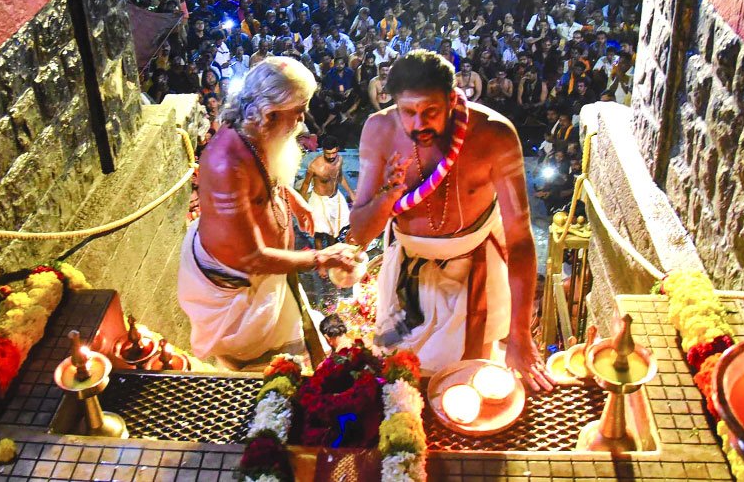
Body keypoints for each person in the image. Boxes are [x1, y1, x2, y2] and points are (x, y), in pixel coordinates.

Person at [348, 51, 554, 390]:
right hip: (407, 276)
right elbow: (360, 233)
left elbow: (519, 240)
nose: (418, 124)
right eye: (408, 112)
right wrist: (388, 194)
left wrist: (519, 335)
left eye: (430, 111)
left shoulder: (495, 135)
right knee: (402, 383)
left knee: (468, 385)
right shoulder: (379, 130)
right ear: (393, 103)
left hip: (474, 273)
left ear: (451, 98)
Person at [178, 58, 358, 370]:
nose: (303, 120)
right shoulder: (227, 164)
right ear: (270, 113)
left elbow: (263, 183)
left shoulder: (256, 134)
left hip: (269, 279)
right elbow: (252, 258)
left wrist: (289, 197)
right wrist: (322, 257)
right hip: (241, 293)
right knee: (266, 376)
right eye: (298, 110)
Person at [300, 135, 356, 247]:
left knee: (333, 233)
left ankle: (331, 256)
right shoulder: (315, 166)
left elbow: (339, 177)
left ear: (337, 149)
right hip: (319, 201)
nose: (331, 156)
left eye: (333, 153)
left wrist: (350, 193)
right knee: (319, 233)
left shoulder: (339, 160)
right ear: (323, 151)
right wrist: (301, 205)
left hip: (335, 198)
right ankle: (320, 261)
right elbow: (306, 184)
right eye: (328, 153)